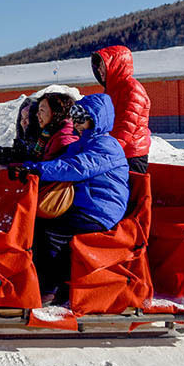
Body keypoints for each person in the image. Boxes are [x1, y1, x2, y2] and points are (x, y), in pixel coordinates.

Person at [13, 93, 129, 305]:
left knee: (51, 232)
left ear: (95, 120)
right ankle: (40, 280)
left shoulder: (106, 145)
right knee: (37, 225)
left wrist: (37, 170)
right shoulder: (81, 143)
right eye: (75, 118)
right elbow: (60, 162)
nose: (76, 123)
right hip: (85, 203)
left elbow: (76, 167)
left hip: (100, 208)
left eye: (81, 118)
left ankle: (52, 288)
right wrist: (22, 167)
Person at [92, 45, 151, 173]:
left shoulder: (132, 88)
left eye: (103, 66)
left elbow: (126, 126)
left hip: (131, 154)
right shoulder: (111, 90)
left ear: (115, 64)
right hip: (117, 152)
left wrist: (109, 151)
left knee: (129, 191)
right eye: (98, 67)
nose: (100, 70)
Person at [30, 92, 78, 161]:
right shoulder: (49, 133)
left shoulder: (64, 138)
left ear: (56, 112)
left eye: (42, 110)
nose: (37, 114)